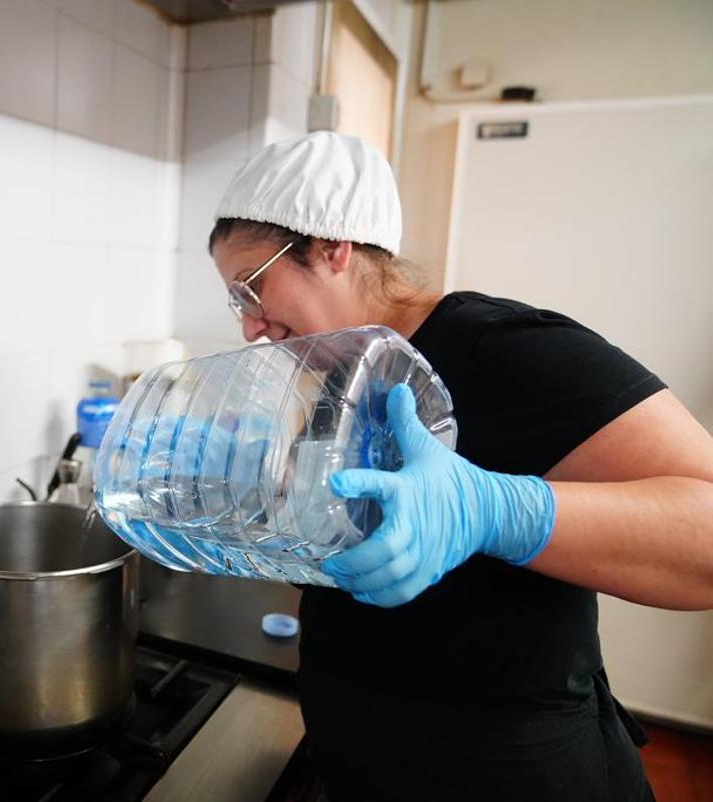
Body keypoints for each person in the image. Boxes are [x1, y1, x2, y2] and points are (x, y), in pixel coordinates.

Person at [207, 132, 713, 801]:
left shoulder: (504, 349)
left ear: (332, 247)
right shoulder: (341, 366)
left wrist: (495, 509)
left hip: (512, 773)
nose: (249, 326)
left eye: (252, 288)